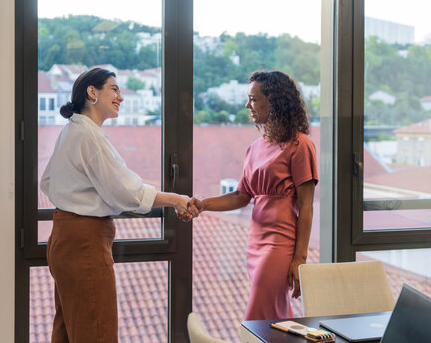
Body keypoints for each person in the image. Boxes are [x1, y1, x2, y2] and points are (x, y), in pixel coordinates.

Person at [41, 68, 197, 343]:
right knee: (95, 330)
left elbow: (48, 181)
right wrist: (176, 199)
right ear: (92, 92)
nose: (120, 97)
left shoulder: (72, 130)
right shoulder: (89, 137)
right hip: (84, 241)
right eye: (114, 89)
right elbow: (127, 192)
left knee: (70, 327)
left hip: (63, 237)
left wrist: (90, 196)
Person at [186, 70, 318, 320]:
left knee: (259, 314)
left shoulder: (300, 145)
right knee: (273, 316)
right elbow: (241, 196)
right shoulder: (256, 146)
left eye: (254, 99)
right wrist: (202, 204)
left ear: (274, 101)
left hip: (280, 243)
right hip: (256, 242)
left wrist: (299, 258)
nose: (248, 105)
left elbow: (307, 206)